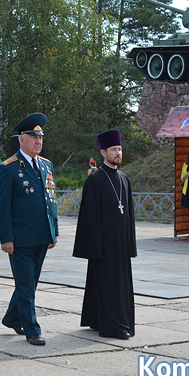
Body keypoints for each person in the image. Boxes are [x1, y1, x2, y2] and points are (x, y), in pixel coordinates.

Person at [0, 113, 58, 346]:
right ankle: (32, 329)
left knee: (31, 282)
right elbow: (2, 207)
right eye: (33, 137)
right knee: (25, 284)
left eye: (40, 137)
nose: (38, 141)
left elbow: (51, 199)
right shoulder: (8, 168)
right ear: (21, 140)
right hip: (20, 238)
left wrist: (54, 229)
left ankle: (12, 317)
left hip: (42, 234)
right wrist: (6, 237)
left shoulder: (46, 166)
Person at [73, 129, 136, 339]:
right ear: (103, 152)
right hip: (104, 244)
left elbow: (129, 214)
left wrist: (130, 244)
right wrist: (94, 247)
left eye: (119, 149)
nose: (118, 153)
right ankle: (115, 326)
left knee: (117, 283)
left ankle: (97, 319)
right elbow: (88, 217)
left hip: (121, 244)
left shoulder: (124, 178)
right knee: (109, 284)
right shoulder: (95, 180)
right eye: (113, 150)